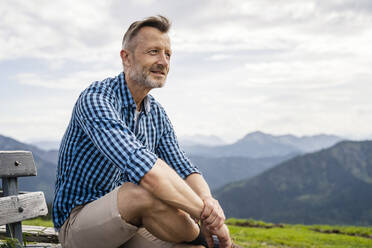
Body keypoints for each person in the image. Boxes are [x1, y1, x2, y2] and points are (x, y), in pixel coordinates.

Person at [52, 15, 235, 248]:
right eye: (153, 52)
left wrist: (208, 201)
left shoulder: (155, 113)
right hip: (77, 224)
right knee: (142, 191)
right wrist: (212, 219)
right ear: (126, 58)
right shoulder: (97, 99)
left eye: (168, 54)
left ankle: (207, 243)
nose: (163, 61)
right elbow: (146, 170)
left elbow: (183, 166)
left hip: (129, 223)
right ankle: (215, 242)